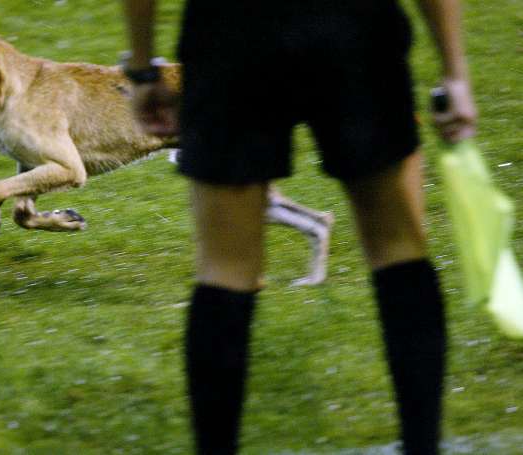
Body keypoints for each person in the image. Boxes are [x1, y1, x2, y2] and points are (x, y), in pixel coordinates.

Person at [121, 0, 477, 453]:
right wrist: (454, 70)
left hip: (233, 35)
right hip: (355, 29)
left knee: (225, 268)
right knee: (398, 248)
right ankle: (422, 445)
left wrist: (142, 68)